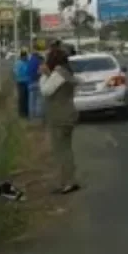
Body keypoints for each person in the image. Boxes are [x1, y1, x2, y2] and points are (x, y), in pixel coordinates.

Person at [39, 47, 81, 195]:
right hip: (69, 113)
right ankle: (70, 180)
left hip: (59, 116)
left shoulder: (58, 74)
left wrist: (44, 75)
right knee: (66, 149)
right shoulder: (67, 72)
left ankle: (65, 183)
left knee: (60, 150)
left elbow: (45, 91)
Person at [25, 45, 44, 120]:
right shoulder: (39, 61)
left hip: (30, 83)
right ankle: (38, 116)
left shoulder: (29, 62)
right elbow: (41, 72)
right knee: (39, 100)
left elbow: (27, 72)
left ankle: (32, 115)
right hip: (38, 82)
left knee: (31, 100)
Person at [13, 50, 30, 118]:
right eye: (25, 56)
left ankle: (26, 112)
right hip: (21, 82)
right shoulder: (18, 63)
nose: (26, 57)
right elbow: (16, 73)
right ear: (22, 56)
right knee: (22, 98)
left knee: (26, 98)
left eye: (26, 56)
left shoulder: (27, 62)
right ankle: (22, 113)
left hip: (26, 82)